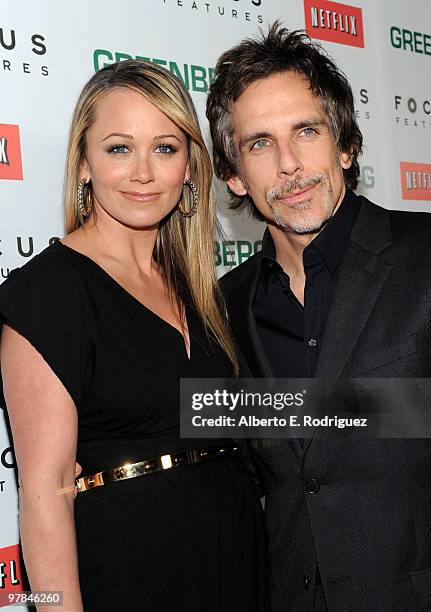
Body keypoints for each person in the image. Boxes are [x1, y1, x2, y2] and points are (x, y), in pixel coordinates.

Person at [0, 60, 267, 612]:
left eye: (166, 148)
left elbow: (235, 418)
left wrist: (393, 408)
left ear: (191, 167)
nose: (143, 172)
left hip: (236, 558)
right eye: (119, 148)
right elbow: (45, 494)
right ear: (82, 165)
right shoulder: (49, 291)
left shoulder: (201, 291)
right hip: (131, 568)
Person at [206, 23, 431, 612]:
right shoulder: (225, 308)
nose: (289, 165)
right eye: (258, 144)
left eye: (306, 131)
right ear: (233, 175)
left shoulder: (423, 254)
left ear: (346, 145)